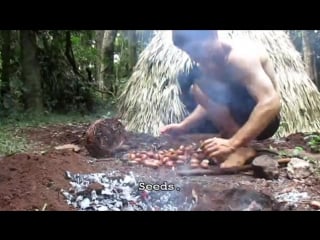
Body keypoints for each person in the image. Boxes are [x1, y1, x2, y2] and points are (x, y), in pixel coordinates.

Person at [160, 30, 281, 168]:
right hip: (239, 118)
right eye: (190, 52)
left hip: (267, 121)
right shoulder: (209, 65)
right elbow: (210, 103)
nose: (196, 57)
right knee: (198, 88)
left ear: (214, 35)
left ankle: (241, 148)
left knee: (201, 87)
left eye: (198, 49)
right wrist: (184, 126)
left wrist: (232, 143)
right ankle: (237, 141)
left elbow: (271, 103)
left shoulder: (241, 57)